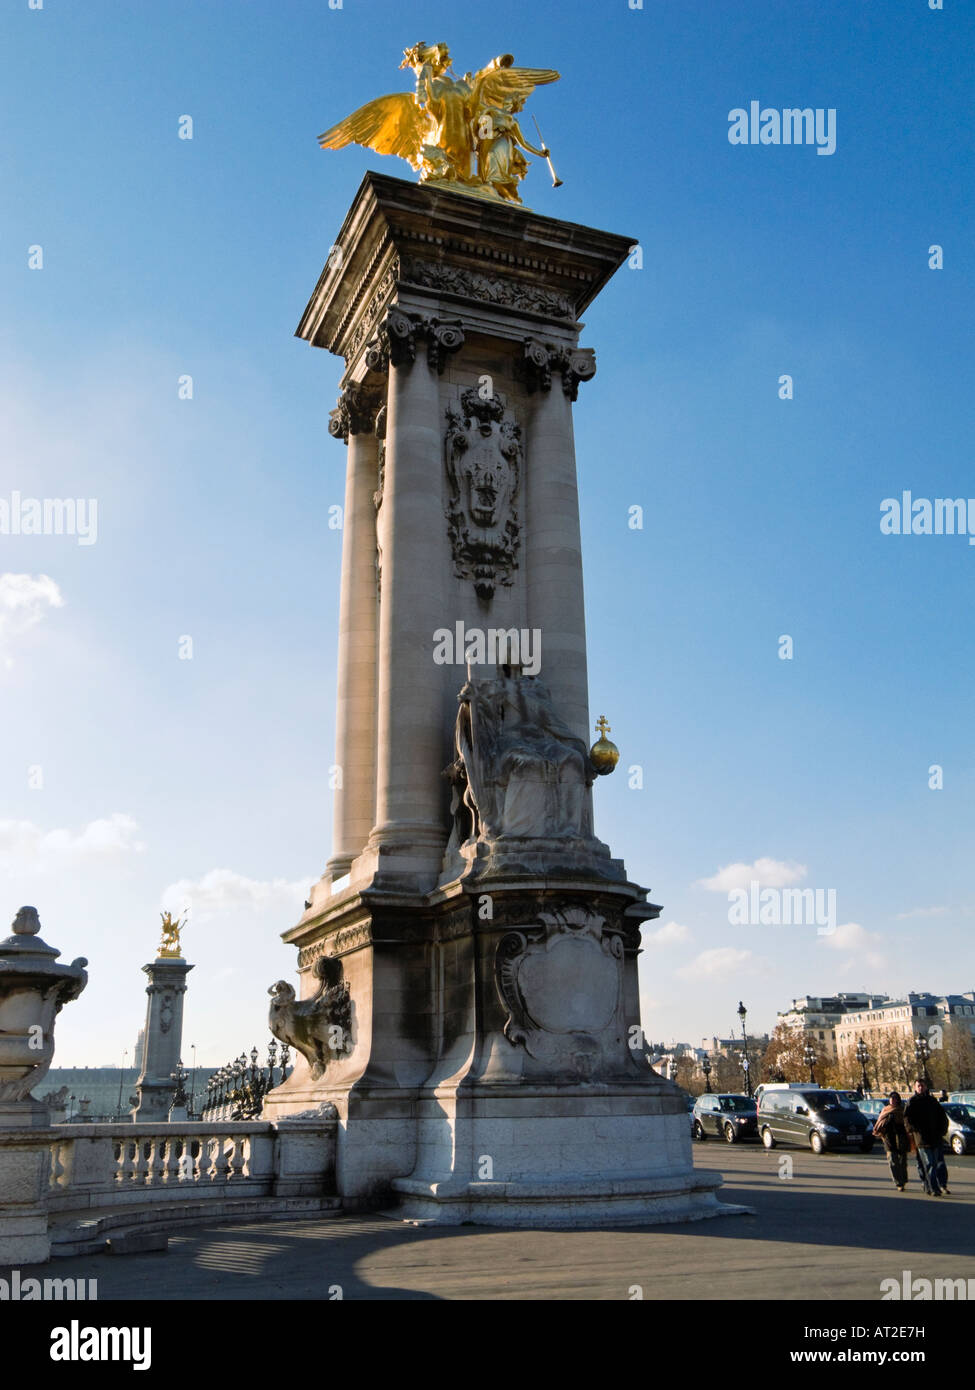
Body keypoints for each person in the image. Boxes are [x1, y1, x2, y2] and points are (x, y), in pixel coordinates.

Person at [904, 1079, 949, 1196]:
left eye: (922, 1086)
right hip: (922, 1139)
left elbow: (942, 1117)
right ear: (915, 1088)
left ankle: (937, 1185)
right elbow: (907, 1120)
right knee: (929, 1164)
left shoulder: (932, 1101)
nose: (920, 1088)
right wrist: (914, 1130)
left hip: (935, 1137)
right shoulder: (912, 1102)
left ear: (926, 1087)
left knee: (937, 1163)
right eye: (918, 1086)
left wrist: (942, 1131)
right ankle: (933, 1187)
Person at [873, 1092, 910, 1190]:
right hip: (889, 1138)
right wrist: (886, 1123)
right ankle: (898, 1182)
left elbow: (907, 1124)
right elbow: (879, 1123)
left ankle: (903, 1179)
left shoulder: (902, 1110)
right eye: (891, 1098)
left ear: (898, 1100)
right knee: (893, 1161)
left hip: (901, 1138)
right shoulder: (886, 1110)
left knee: (902, 1161)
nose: (892, 1100)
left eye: (894, 1098)